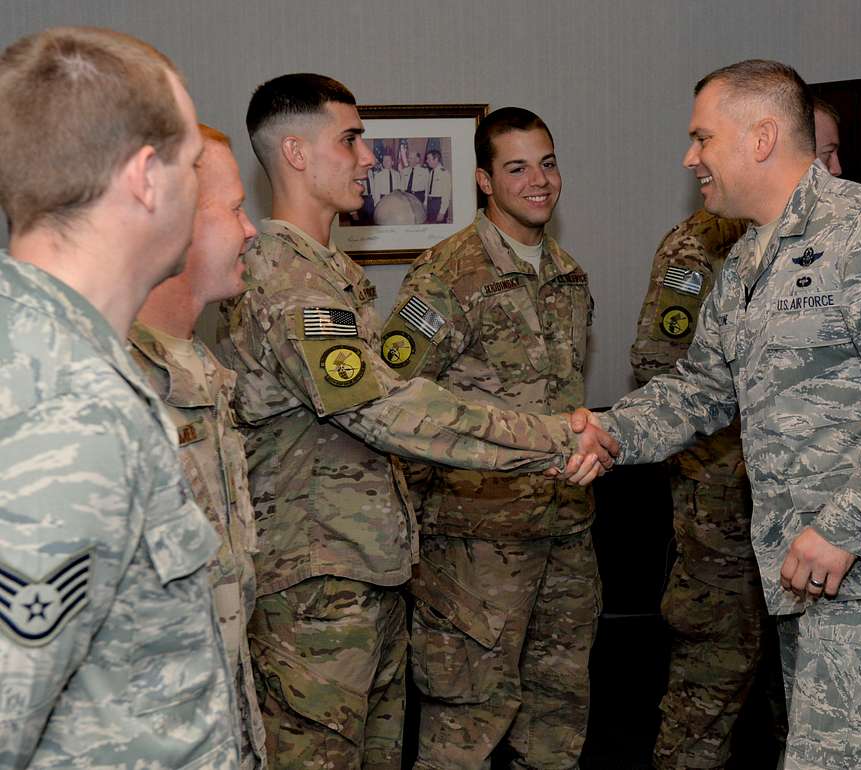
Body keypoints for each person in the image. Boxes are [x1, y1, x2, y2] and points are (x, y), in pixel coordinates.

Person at [578, 59, 861, 770]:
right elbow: (700, 388)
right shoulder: (751, 259)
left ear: (761, 137)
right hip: (808, 575)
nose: (689, 156)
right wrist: (609, 430)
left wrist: (841, 527)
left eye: (703, 137)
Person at [217, 73, 615, 770]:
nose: (369, 158)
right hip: (320, 583)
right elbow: (390, 407)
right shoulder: (290, 284)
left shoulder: (332, 274)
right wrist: (555, 438)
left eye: (547, 163)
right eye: (351, 140)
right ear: (297, 152)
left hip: (370, 569)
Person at [0, 27, 241, 767]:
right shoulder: (74, 412)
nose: (202, 186)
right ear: (145, 177)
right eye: (194, 165)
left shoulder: (48, 347)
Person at [381, 107, 598, 769]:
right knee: (465, 729)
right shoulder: (445, 277)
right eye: (517, 167)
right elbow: (396, 404)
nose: (539, 180)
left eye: (548, 162)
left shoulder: (568, 275)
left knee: (558, 719)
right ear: (483, 179)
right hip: (475, 547)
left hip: (565, 530)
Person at [630, 99, 844, 770]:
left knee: (809, 696)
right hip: (721, 506)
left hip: (815, 520)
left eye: (833, 154)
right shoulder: (700, 246)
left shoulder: (852, 243)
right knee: (711, 679)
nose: (827, 169)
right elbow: (664, 370)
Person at [127, 124, 265, 769]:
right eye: (235, 209)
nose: (250, 230)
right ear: (175, 222)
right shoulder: (113, 388)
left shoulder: (202, 368)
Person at [425, 148, 452, 223]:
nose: (427, 161)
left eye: (429, 159)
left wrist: (442, 212)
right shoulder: (431, 172)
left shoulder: (444, 173)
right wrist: (425, 204)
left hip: (438, 205)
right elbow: (428, 190)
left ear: (436, 159)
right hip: (430, 204)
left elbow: (446, 195)